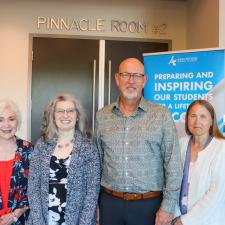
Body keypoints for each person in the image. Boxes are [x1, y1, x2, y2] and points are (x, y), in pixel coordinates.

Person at [95, 58, 183, 225]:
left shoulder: (161, 115)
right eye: (126, 74)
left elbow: (173, 164)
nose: (131, 80)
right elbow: (97, 162)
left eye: (137, 75)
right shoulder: (102, 116)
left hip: (149, 206)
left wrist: (168, 207)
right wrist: (95, 202)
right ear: (117, 78)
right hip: (109, 204)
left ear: (144, 80)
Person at [27, 94, 100, 225]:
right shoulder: (41, 145)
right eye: (60, 111)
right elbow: (33, 187)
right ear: (53, 116)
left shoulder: (89, 147)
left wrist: (84, 222)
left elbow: (92, 192)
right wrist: (38, 222)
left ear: (77, 116)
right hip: (44, 220)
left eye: (70, 110)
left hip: (77, 221)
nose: (65, 115)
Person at [174, 100, 225, 225]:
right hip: (177, 217)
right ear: (187, 120)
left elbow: (217, 192)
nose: (197, 122)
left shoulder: (222, 147)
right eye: (193, 116)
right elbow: (172, 181)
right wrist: (175, 216)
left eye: (203, 116)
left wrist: (185, 221)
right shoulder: (181, 144)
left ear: (211, 121)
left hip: (208, 220)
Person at [0, 99, 33, 225]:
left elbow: (35, 189)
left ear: (17, 121)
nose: (6, 125)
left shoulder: (29, 150)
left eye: (11, 119)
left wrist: (14, 215)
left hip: (21, 220)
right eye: (1, 120)